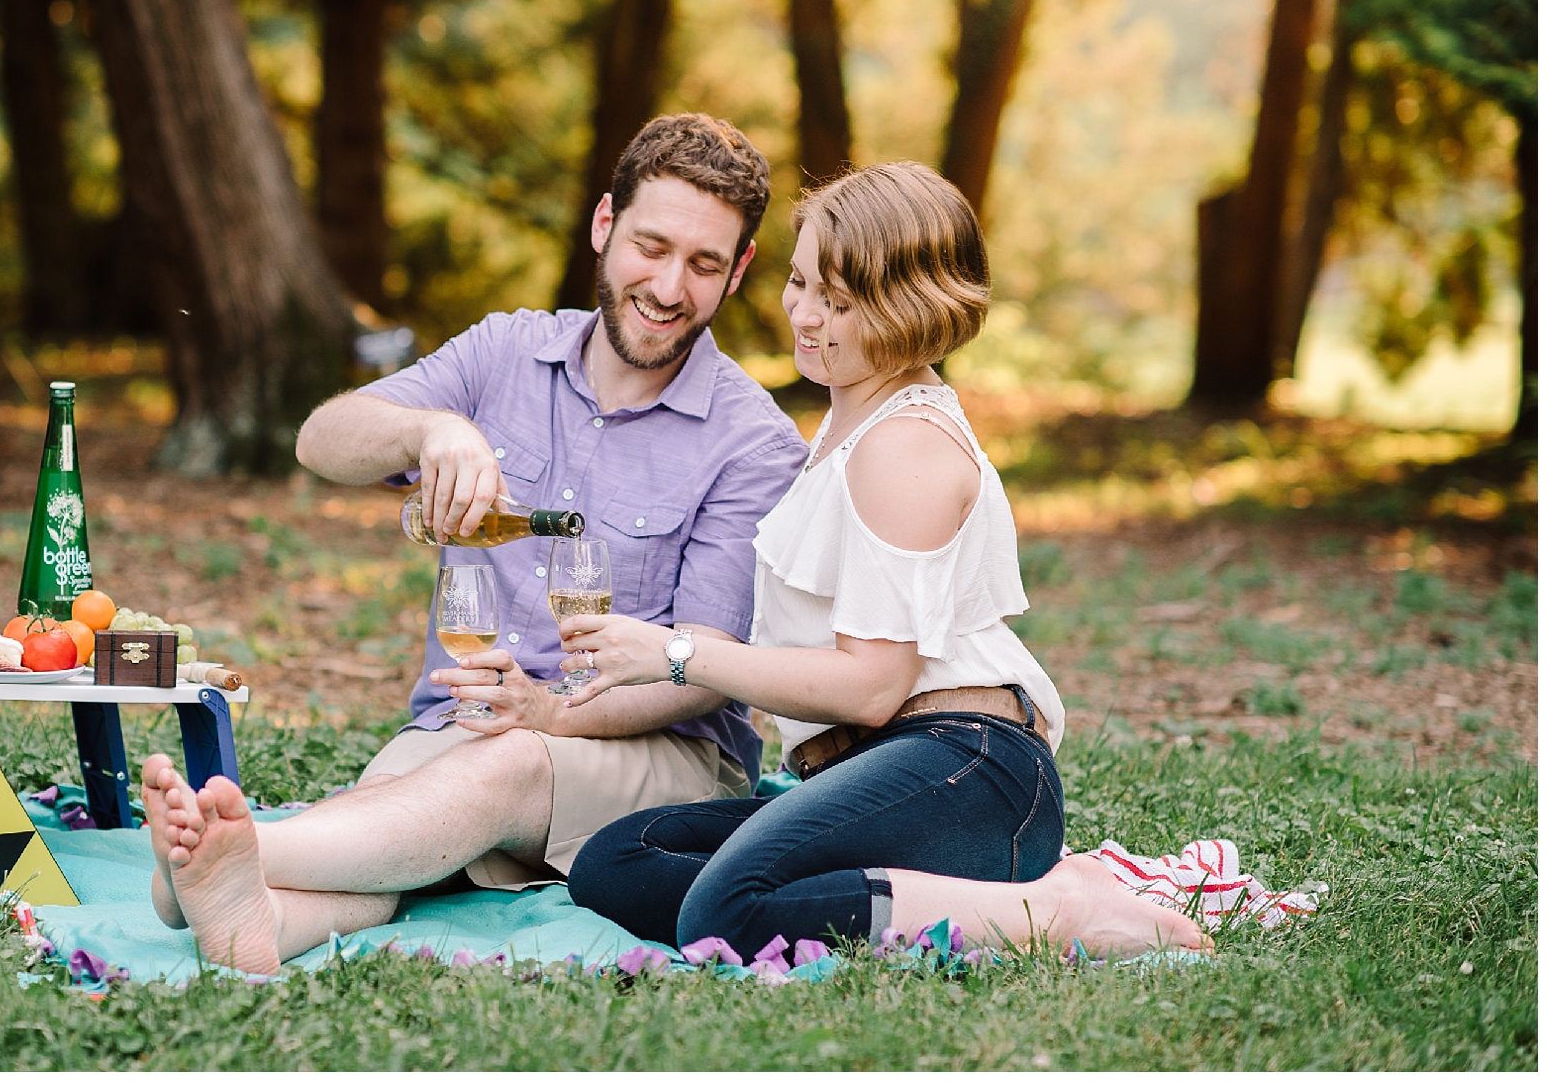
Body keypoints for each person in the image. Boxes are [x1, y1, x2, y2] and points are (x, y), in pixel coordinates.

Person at [140, 113, 810, 972]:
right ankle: (250, 922)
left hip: (660, 759)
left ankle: (202, 871)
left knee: (499, 773)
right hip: (467, 725)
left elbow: (704, 663)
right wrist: (430, 430)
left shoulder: (754, 441)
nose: (671, 286)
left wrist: (554, 712)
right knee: (392, 834)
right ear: (604, 226)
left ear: (739, 270)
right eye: (652, 246)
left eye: (705, 264)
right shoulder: (504, 350)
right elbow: (323, 440)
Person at [560, 162, 1207, 959]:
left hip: (961, 770)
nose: (804, 314)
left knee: (725, 912)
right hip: (864, 773)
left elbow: (873, 686)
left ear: (907, 308)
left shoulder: (902, 446)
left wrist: (678, 655)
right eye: (800, 283)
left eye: (838, 301)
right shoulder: (845, 430)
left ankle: (1057, 911)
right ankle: (931, 900)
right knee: (617, 864)